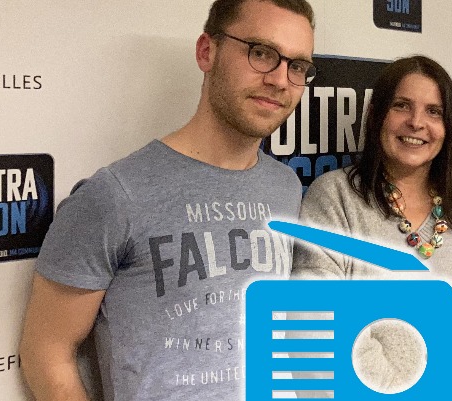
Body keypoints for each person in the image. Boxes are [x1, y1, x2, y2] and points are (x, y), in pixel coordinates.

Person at [18, 1, 315, 399]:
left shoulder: (285, 187)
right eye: (261, 53)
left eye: (298, 66)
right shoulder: (115, 195)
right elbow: (46, 352)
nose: (280, 80)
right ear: (207, 51)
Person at [291, 55, 452, 400]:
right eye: (401, 106)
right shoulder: (334, 198)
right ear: (376, 115)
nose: (417, 123)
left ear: (448, 127)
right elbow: (317, 327)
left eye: (434, 111)